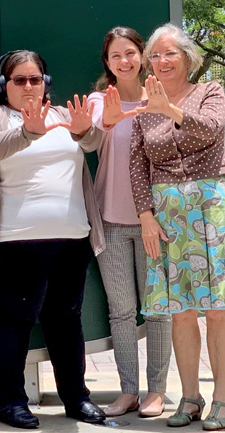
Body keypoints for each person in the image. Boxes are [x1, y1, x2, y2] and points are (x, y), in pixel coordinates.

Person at [129, 23, 225, 431]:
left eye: (170, 53)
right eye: (155, 55)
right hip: (168, 216)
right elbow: (138, 165)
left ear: (187, 57)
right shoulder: (142, 107)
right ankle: (189, 398)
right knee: (181, 313)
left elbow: (209, 129)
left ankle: (221, 400)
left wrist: (167, 108)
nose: (162, 61)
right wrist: (146, 215)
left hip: (212, 211)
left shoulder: (211, 92)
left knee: (218, 310)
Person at [0, 50, 107, 429]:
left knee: (66, 320)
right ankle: (12, 403)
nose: (29, 86)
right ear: (3, 86)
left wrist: (83, 130)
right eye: (19, 80)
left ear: (45, 83)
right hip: (13, 243)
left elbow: (92, 142)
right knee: (14, 320)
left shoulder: (63, 115)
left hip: (71, 238)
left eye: (35, 79)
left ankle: (77, 398)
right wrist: (27, 132)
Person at [87, 27, 172, 418]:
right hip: (111, 220)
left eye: (130, 52)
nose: (124, 61)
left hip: (157, 222)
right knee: (121, 311)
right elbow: (93, 134)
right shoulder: (97, 101)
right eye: (115, 55)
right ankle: (128, 391)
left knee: (157, 309)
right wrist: (110, 116)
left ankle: (157, 391)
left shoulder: (164, 99)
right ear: (107, 63)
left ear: (143, 55)